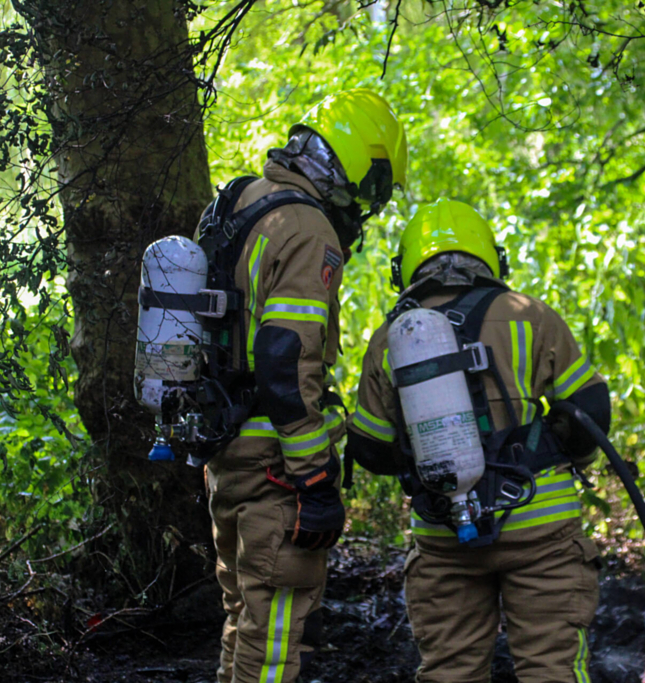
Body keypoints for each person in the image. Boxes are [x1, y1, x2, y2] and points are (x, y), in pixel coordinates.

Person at [345, 198, 609, 683]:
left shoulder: (390, 338)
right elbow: (590, 412)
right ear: (491, 257)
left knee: (450, 672)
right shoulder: (529, 315)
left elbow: (370, 448)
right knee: (552, 669)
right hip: (541, 528)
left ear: (405, 269)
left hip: (444, 536)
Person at [201, 89, 407, 683]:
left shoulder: (239, 201)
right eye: (371, 191)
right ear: (353, 165)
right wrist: (314, 477)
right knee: (274, 639)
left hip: (224, 450)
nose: (365, 210)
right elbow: (285, 356)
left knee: (243, 615)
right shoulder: (307, 225)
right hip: (274, 465)